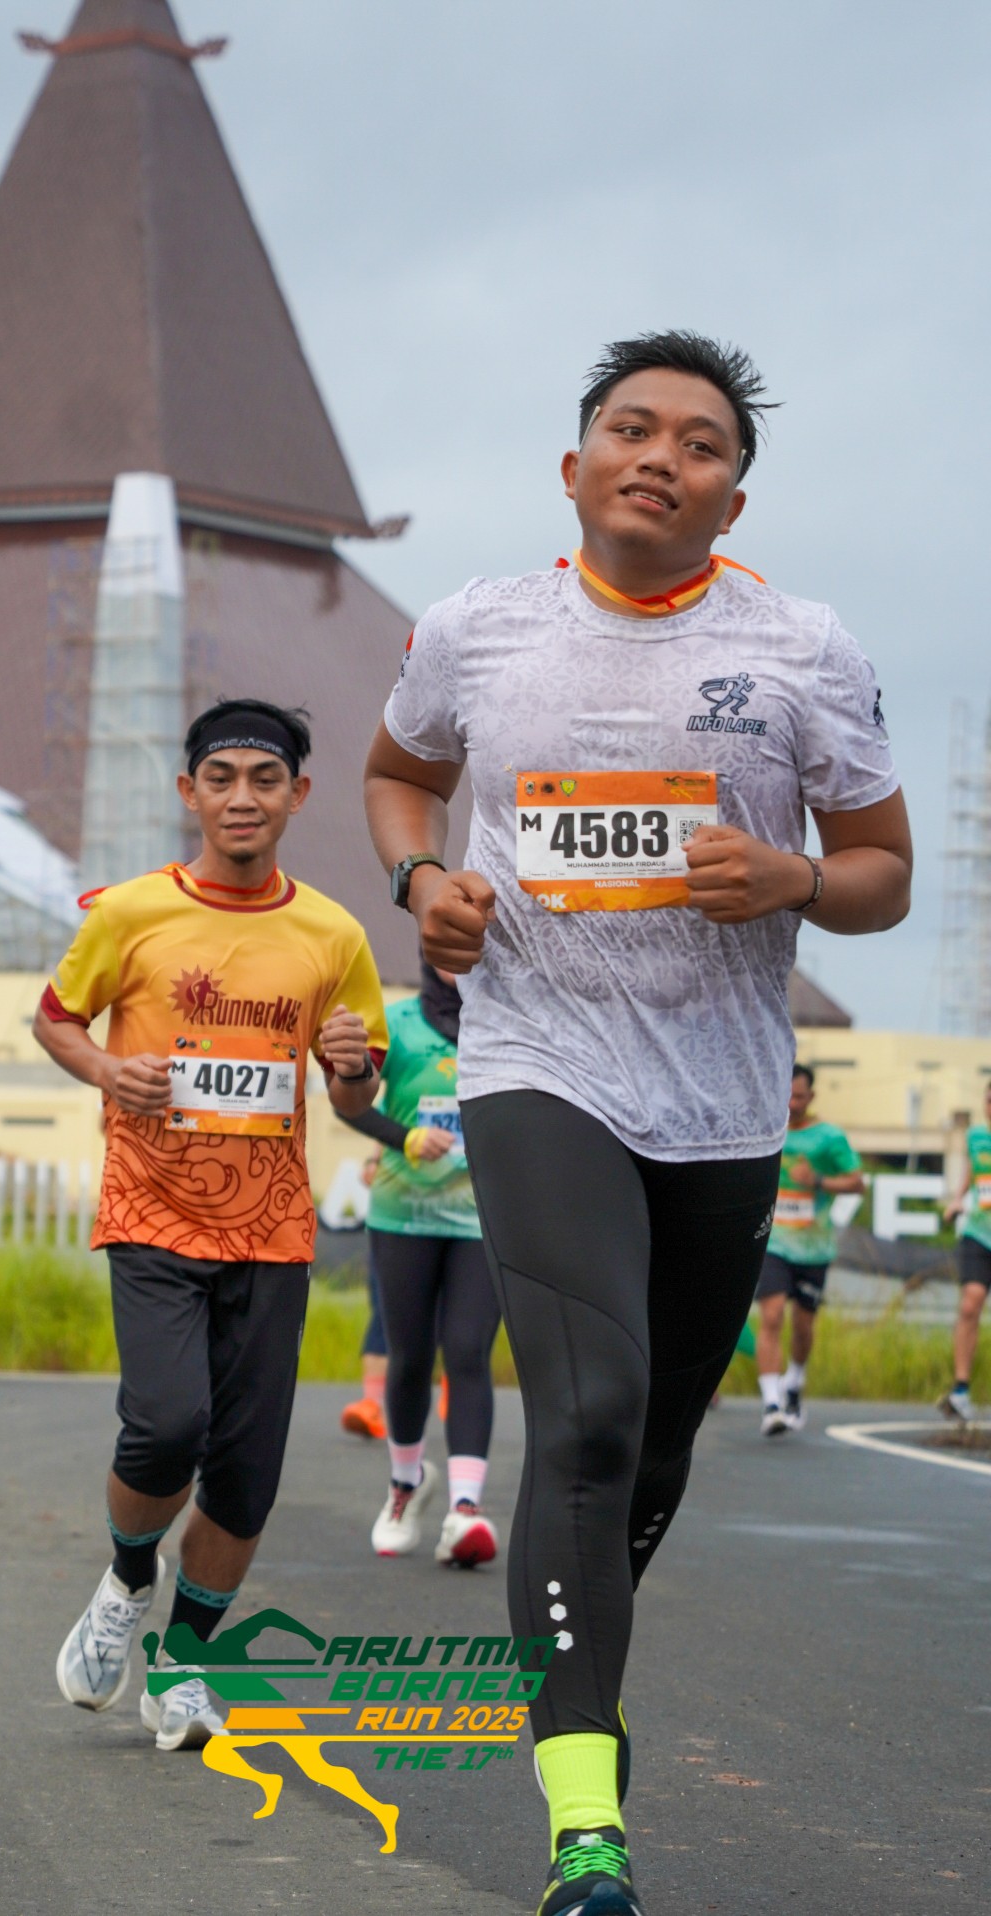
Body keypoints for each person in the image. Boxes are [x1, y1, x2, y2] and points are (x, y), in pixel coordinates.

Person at [363, 331, 910, 1915]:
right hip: (538, 1062)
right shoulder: (475, 629)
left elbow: (882, 872)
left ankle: (574, 1639)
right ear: (575, 465)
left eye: (700, 444)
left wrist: (795, 875)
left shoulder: (803, 649)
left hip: (722, 1101)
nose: (660, 456)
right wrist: (421, 879)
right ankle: (586, 1824)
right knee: (589, 1420)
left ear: (734, 501)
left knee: (647, 1452)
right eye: (630, 427)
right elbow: (399, 776)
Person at [34, 697, 388, 1751]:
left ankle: (183, 1666)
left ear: (297, 795)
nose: (243, 797)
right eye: (221, 777)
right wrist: (108, 1071)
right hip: (152, 1207)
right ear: (188, 792)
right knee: (165, 1424)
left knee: (244, 1473)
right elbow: (56, 1018)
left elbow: (356, 1094)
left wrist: (354, 1068)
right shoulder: (130, 913)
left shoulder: (333, 933)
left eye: (265, 779)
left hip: (272, 1229)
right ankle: (124, 1582)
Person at [341, 960, 501, 1565]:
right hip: (402, 1215)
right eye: (445, 945)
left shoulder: (509, 1021)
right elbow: (348, 1103)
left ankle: (465, 1510)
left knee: (467, 1351)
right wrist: (403, 1138)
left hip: (481, 1220)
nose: (458, 961)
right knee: (409, 1356)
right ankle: (404, 1486)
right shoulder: (398, 1024)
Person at [754, 1063, 864, 1435]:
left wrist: (817, 1180)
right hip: (773, 1242)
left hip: (814, 1249)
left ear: (811, 1096)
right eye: (787, 1095)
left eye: (799, 1097)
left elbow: (857, 1183)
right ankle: (772, 1404)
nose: (792, 1103)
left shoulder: (829, 1138)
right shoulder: (767, 1129)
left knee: (803, 1326)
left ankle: (795, 1382)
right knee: (771, 1316)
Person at [938, 1081, 991, 1421]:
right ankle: (960, 1390)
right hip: (979, 1233)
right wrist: (958, 1198)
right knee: (970, 1303)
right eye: (989, 1100)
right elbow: (973, 1170)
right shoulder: (976, 1136)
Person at [339, 1147, 389, 1440]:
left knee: (452, 1315)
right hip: (394, 1218)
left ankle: (457, 1394)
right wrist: (373, 1161)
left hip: (458, 1221)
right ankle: (372, 1404)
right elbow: (388, 1128)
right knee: (384, 1311)